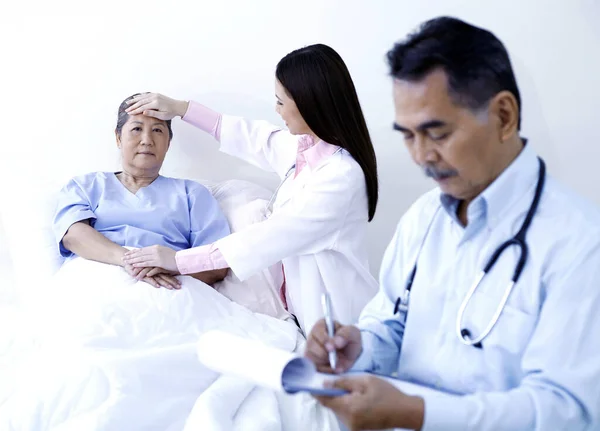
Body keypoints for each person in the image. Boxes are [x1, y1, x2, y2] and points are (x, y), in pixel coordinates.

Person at [306, 16, 600, 431]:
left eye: (437, 133)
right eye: (408, 136)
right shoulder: (424, 218)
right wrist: (359, 348)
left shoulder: (581, 245)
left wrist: (415, 413)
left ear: (503, 116)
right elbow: (389, 324)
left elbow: (565, 413)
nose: (422, 156)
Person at [122, 44, 380, 334]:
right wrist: (181, 109)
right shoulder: (306, 149)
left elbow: (266, 239)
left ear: (309, 103)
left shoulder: (339, 177)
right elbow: (254, 137)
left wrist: (177, 260)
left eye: (281, 101)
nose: (276, 109)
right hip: (306, 321)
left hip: (343, 325)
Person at [53, 93, 230, 289]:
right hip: (95, 283)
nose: (147, 140)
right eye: (137, 129)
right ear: (118, 137)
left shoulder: (192, 195)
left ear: (168, 143)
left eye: (157, 130)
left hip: (168, 289)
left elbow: (218, 263)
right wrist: (131, 260)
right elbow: (73, 236)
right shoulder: (85, 186)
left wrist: (174, 266)